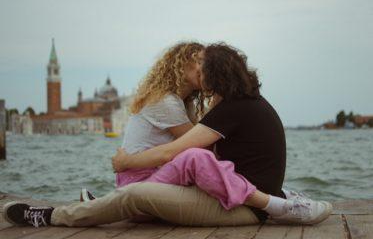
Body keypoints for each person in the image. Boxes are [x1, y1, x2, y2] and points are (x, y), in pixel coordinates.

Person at [3, 42, 332, 228]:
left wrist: (125, 162)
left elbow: (172, 153)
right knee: (190, 160)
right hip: (235, 199)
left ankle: (51, 216)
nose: (200, 76)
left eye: (203, 70)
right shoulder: (243, 103)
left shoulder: (231, 107)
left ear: (216, 76)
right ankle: (282, 200)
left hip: (243, 207)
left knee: (176, 168)